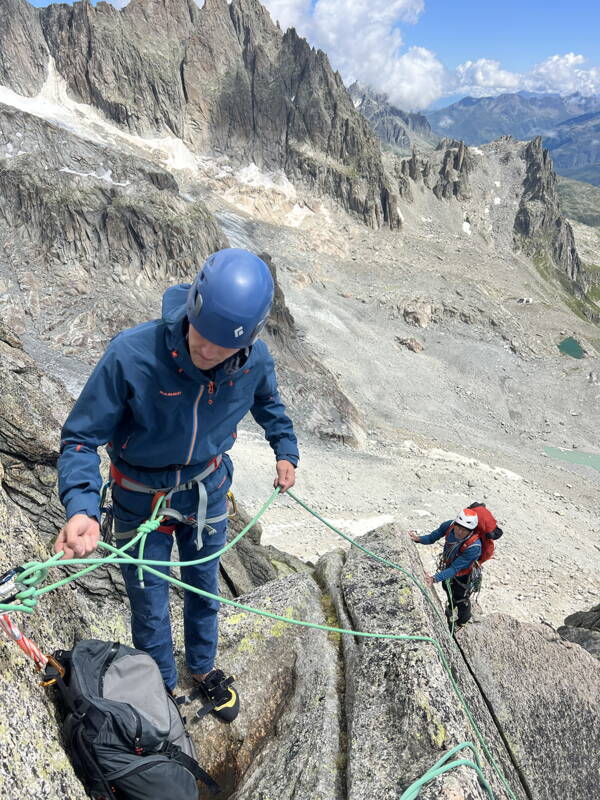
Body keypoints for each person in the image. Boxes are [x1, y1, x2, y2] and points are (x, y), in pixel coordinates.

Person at [56, 248, 299, 720]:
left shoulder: (255, 360)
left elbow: (269, 402)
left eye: (221, 345)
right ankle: (163, 688)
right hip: (139, 498)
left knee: (204, 586)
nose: (205, 350)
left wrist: (284, 449)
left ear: (248, 339)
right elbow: (81, 439)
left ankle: (204, 669)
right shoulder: (133, 353)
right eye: (200, 334)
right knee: (149, 601)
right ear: (192, 307)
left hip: (207, 488)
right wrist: (81, 508)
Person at [408, 508, 482, 630]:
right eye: (459, 527)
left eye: (464, 530)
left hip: (464, 574)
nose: (459, 531)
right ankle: (451, 606)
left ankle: (462, 621)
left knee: (461, 598)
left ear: (471, 531)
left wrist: (434, 578)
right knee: (446, 588)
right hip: (449, 565)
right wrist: (418, 539)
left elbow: (454, 569)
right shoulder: (449, 526)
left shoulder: (474, 547)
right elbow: (433, 537)